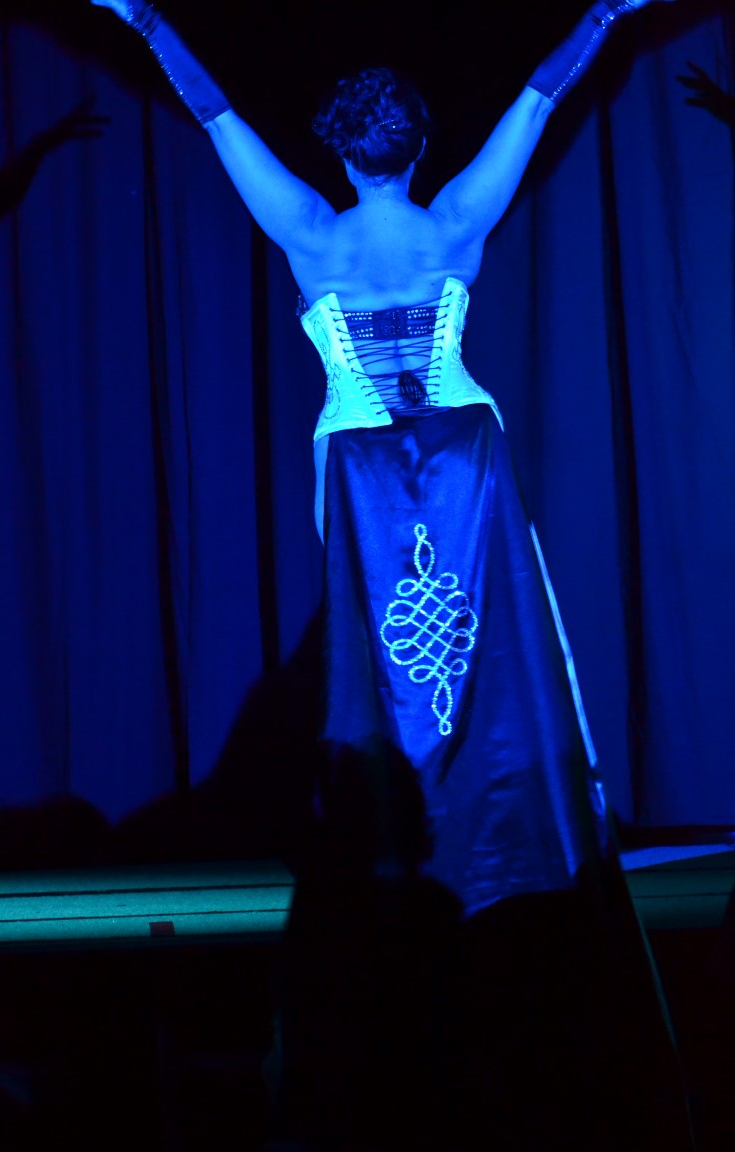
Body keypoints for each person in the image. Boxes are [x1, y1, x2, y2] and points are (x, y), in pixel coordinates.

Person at [88, 0, 679, 916]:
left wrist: (147, 19)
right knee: (494, 634)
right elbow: (538, 99)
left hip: (358, 453)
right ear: (420, 147)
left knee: (376, 643)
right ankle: (521, 827)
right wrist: (607, 9)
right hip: (465, 445)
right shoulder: (454, 223)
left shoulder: (312, 233)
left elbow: (218, 117)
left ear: (339, 150)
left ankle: (393, 843)